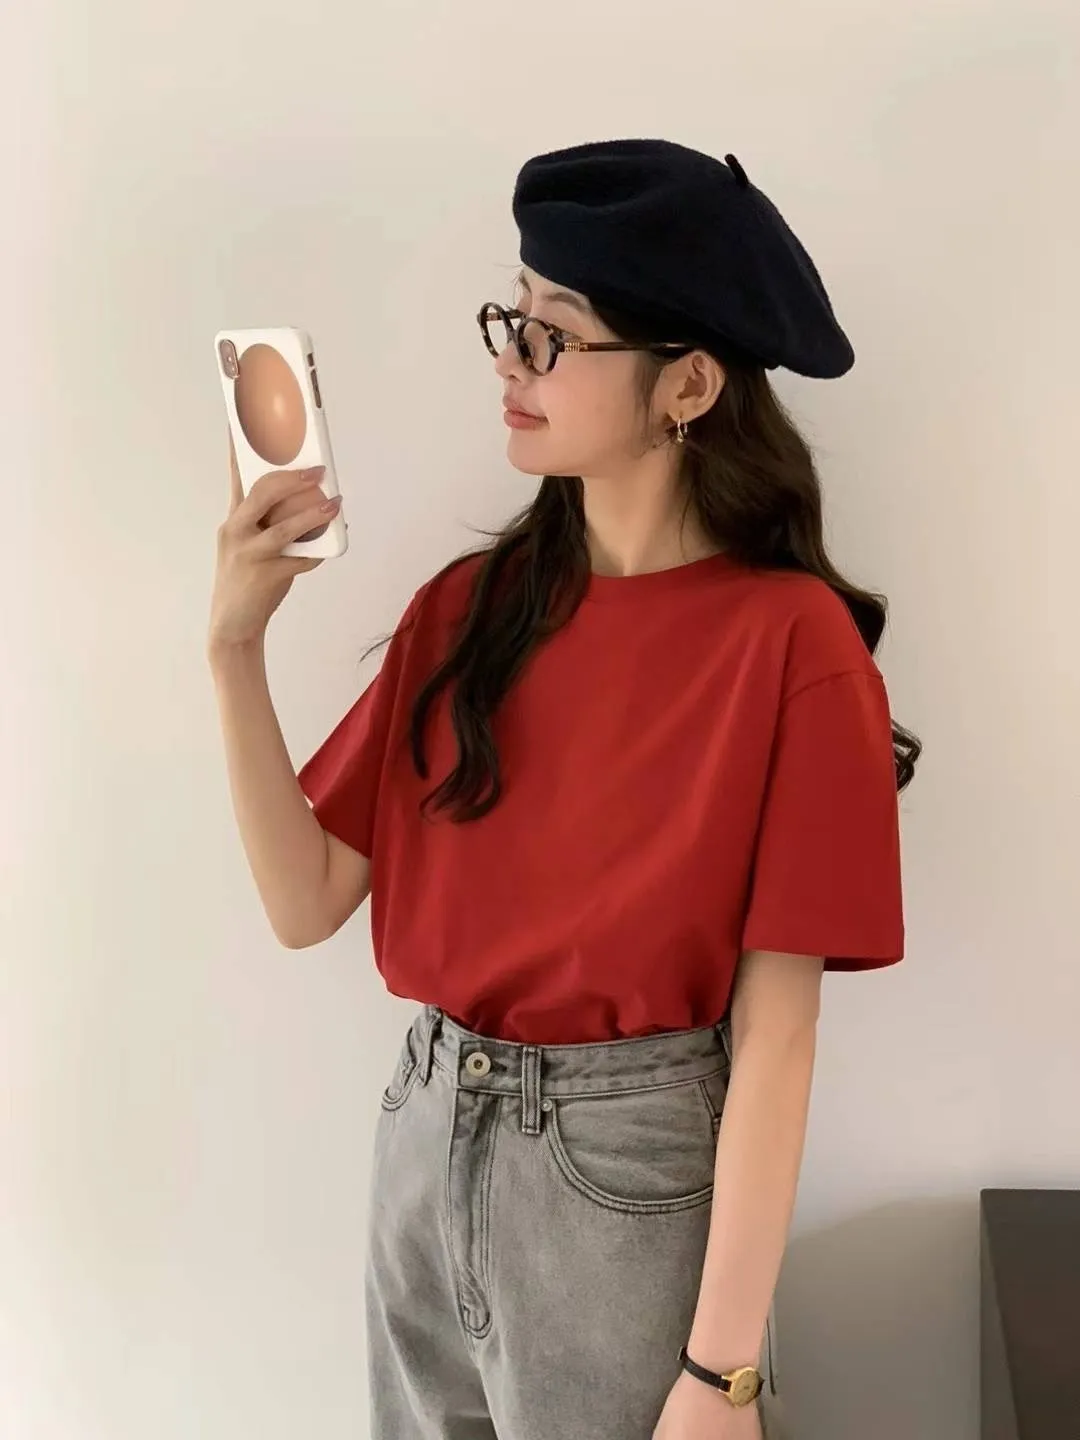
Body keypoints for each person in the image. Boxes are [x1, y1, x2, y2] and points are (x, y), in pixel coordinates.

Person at [208, 138, 920, 1440]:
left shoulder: (790, 645)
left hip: (625, 1176)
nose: (510, 363)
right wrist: (233, 648)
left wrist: (723, 1375)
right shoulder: (468, 612)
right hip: (423, 1139)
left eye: (555, 335)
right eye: (512, 319)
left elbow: (776, 1037)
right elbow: (306, 901)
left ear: (688, 382)